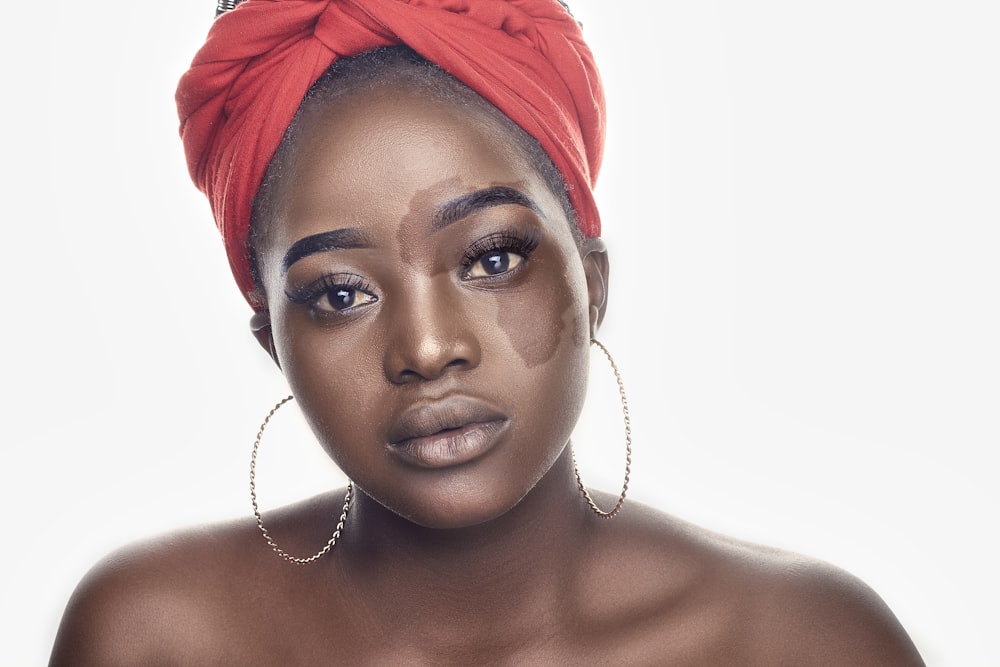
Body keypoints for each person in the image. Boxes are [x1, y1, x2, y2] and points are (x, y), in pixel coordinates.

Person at [49, 0, 925, 664]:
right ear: (275, 345)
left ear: (592, 282)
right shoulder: (158, 639)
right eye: (341, 294)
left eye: (493, 257)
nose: (428, 349)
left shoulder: (803, 642)